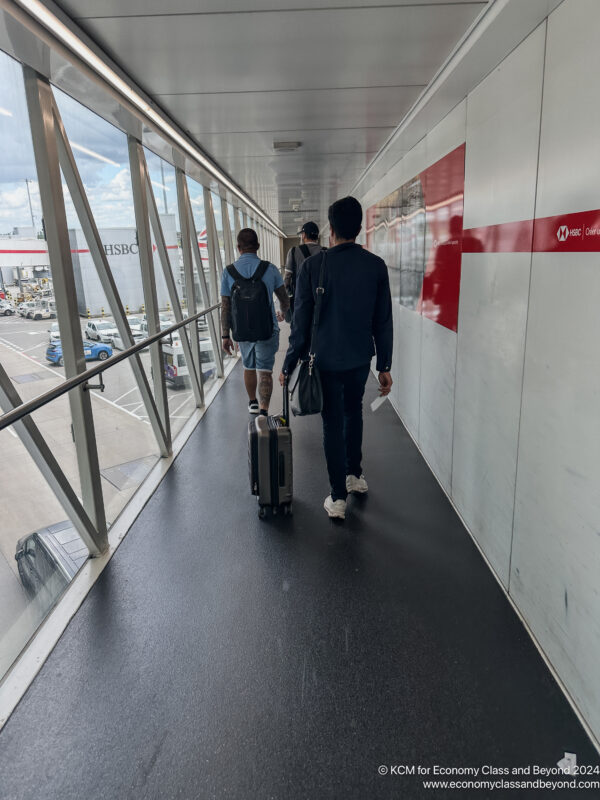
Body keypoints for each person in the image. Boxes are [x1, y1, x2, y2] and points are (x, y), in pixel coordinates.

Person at [280, 197, 393, 520]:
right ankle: (354, 476)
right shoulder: (375, 266)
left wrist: (288, 364)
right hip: (360, 360)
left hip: (324, 360)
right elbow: (383, 321)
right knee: (353, 412)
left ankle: (338, 497)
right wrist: (384, 365)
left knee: (332, 421)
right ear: (359, 228)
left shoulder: (313, 267)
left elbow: (300, 323)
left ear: (331, 230)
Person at [221, 228, 290, 415]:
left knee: (248, 367)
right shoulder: (270, 269)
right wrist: (284, 314)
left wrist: (225, 335)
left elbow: (225, 306)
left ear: (238, 247)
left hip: (243, 331)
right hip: (267, 329)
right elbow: (284, 299)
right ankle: (264, 410)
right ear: (258, 246)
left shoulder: (228, 272)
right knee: (265, 371)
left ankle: (252, 402)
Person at [284, 221, 323, 315]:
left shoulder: (293, 251)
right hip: (321, 298)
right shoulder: (325, 252)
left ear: (304, 235)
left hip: (300, 298)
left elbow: (287, 278)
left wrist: (287, 295)